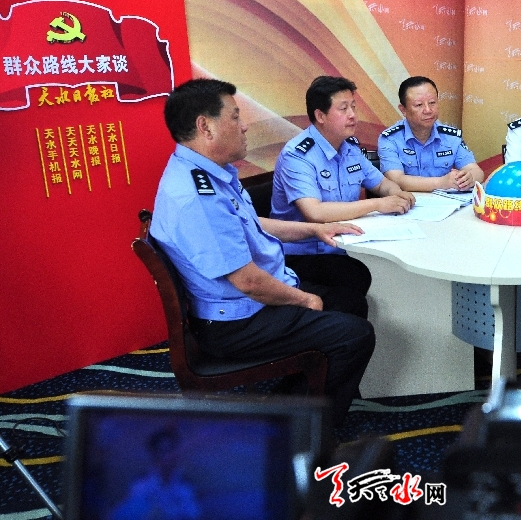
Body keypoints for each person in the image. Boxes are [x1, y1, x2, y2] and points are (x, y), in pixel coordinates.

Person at [151, 78, 375, 426]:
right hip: (236, 321)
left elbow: (251, 224)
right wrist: (304, 300)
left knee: (350, 292)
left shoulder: (207, 172)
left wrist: (315, 229)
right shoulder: (197, 197)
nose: (244, 126)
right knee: (355, 336)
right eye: (235, 116)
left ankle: (302, 391)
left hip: (249, 295)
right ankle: (291, 430)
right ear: (205, 127)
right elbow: (248, 282)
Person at [270, 76, 416, 301]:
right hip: (304, 254)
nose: (353, 115)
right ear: (320, 116)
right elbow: (315, 212)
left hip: (346, 245)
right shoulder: (297, 155)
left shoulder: (349, 147)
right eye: (343, 108)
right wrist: (378, 203)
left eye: (354, 107)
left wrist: (397, 194)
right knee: (360, 279)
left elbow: (380, 183)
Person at [377, 75, 484, 191]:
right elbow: (395, 180)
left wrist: (469, 178)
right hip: (408, 201)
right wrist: (441, 182)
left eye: (432, 103)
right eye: (419, 105)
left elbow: (477, 171)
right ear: (403, 110)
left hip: (444, 201)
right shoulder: (390, 139)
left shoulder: (451, 137)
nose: (428, 110)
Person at [109, 427, 200, 520]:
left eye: (171, 450)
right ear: (154, 455)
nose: (169, 456)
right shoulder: (141, 484)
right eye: (163, 451)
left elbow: (193, 513)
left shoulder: (186, 485)